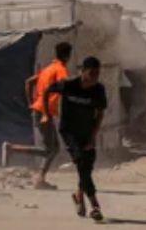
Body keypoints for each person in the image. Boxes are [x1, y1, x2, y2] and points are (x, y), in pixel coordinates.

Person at [44, 56, 108, 222]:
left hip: (87, 131)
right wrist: (45, 114)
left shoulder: (99, 90)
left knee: (87, 165)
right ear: (82, 72)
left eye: (97, 74)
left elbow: (100, 113)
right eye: (91, 73)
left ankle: (78, 195)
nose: (94, 77)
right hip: (69, 132)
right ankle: (95, 205)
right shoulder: (68, 85)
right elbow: (46, 90)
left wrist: (93, 137)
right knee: (80, 162)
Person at [3, 41, 71, 188]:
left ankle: (39, 176)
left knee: (53, 148)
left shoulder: (47, 69)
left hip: (39, 110)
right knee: (51, 149)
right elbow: (65, 82)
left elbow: (28, 82)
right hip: (44, 112)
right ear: (67, 56)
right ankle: (14, 150)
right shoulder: (60, 68)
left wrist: (31, 103)